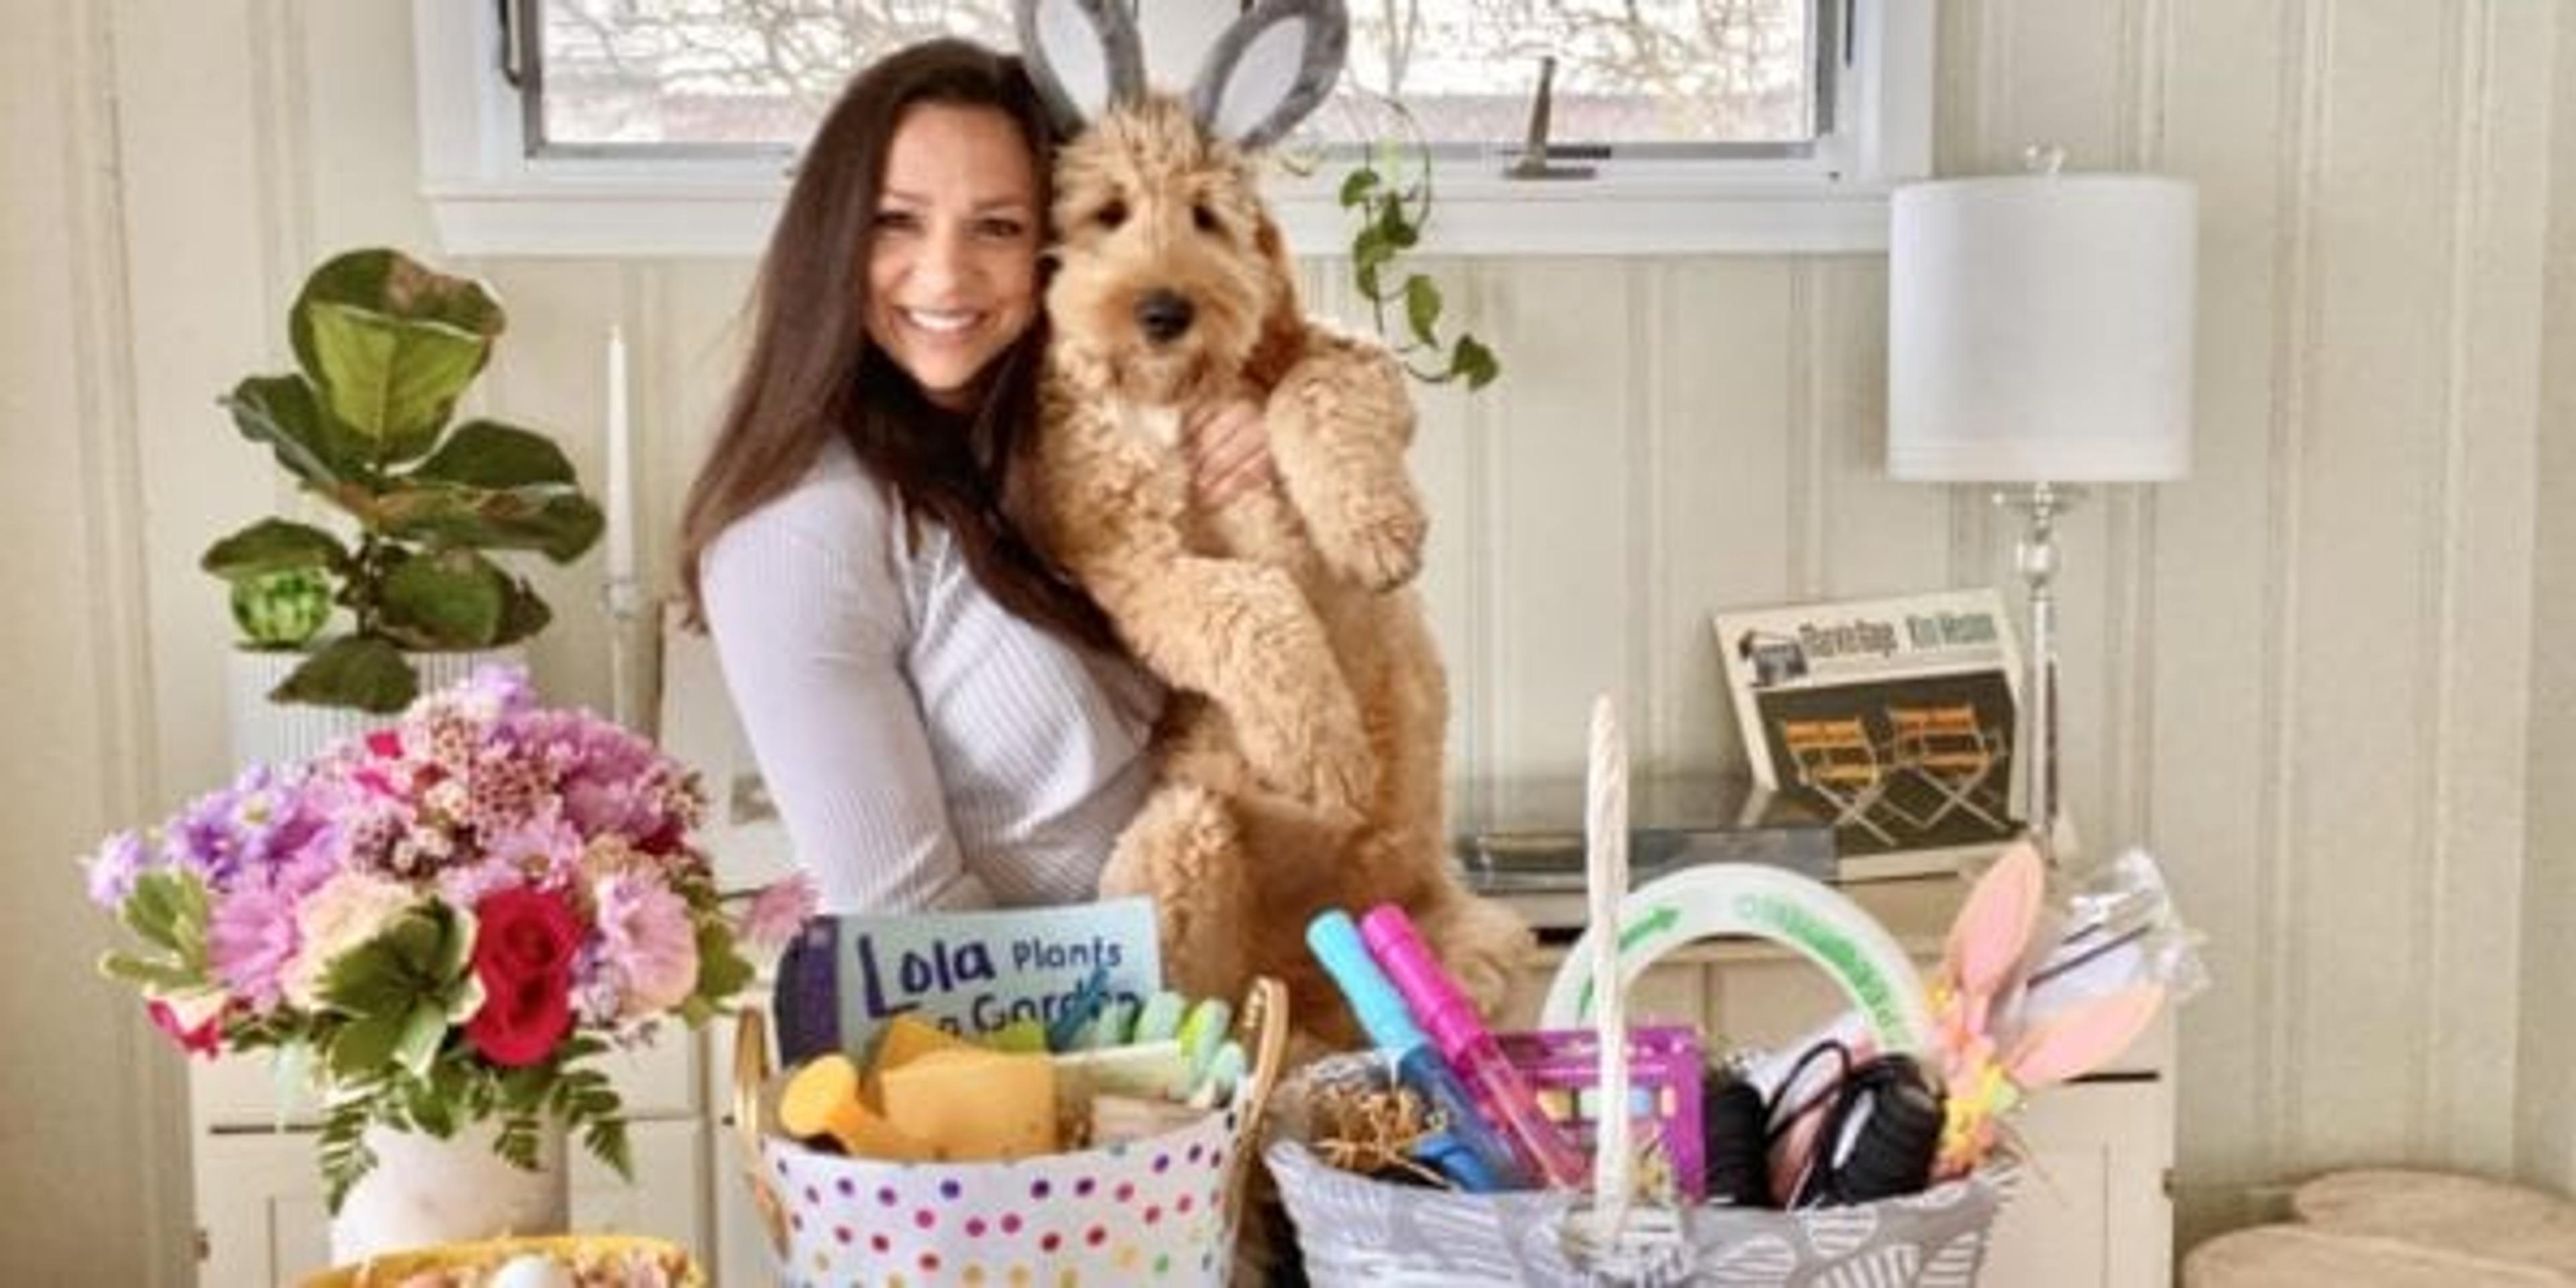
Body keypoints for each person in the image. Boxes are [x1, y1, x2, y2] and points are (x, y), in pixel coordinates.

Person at [678, 38, 1273, 918]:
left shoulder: (1069, 461)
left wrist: (1260, 463)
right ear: (832, 236)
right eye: (897, 221)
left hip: (1230, 993)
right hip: (1043, 1043)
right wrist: (1162, 1025)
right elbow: (910, 932)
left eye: (998, 226)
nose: (947, 273)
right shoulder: (804, 529)